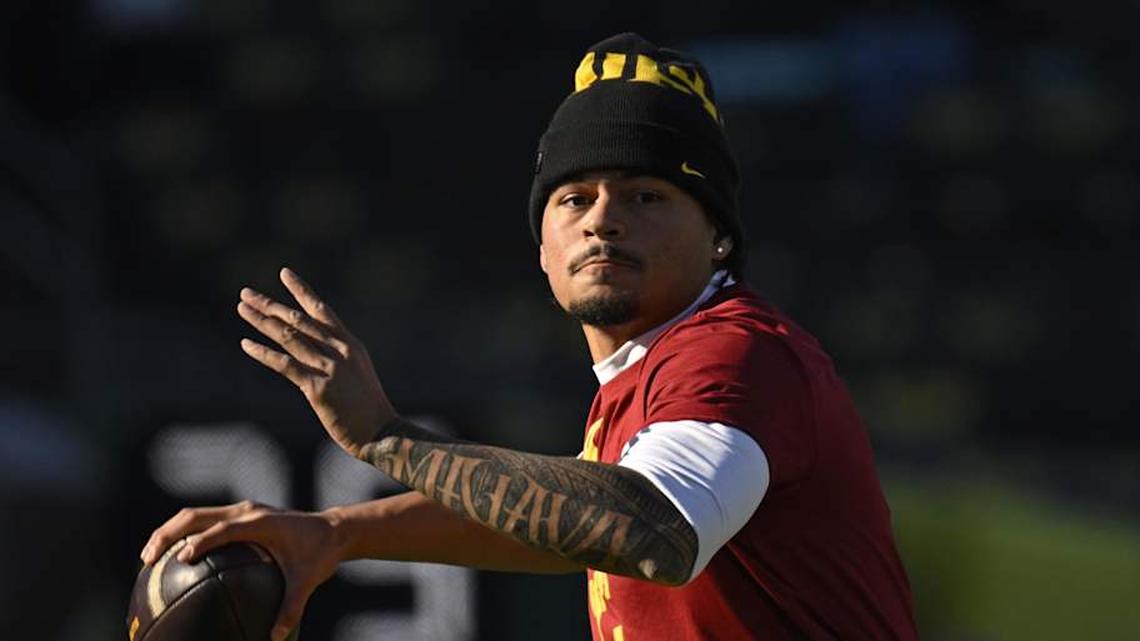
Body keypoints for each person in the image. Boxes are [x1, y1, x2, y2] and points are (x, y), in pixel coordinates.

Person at [141, 33, 918, 641]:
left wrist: (388, 439)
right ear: (543, 251)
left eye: (646, 194)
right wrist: (337, 532)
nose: (603, 218)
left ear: (720, 235)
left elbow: (648, 530)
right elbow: (562, 524)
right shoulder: (644, 373)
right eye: (574, 197)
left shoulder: (735, 354)